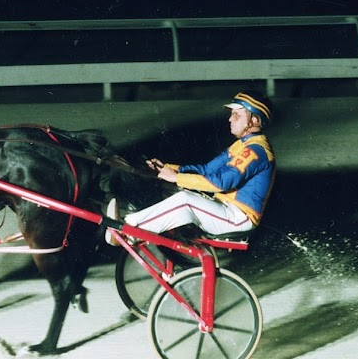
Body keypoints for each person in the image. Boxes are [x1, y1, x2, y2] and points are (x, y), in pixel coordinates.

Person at [106, 91, 276, 245]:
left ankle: (127, 230)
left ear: (254, 120)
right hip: (225, 209)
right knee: (175, 194)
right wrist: (165, 169)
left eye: (237, 115)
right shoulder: (242, 145)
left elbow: (221, 183)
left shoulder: (255, 151)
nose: (230, 119)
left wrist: (176, 178)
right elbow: (206, 170)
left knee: (185, 199)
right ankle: (133, 226)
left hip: (238, 218)